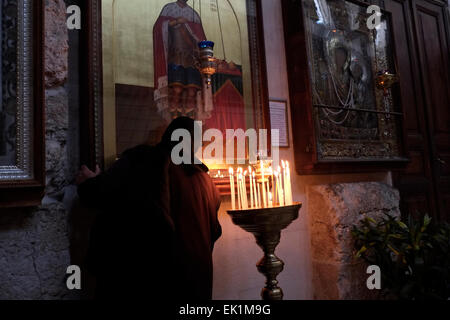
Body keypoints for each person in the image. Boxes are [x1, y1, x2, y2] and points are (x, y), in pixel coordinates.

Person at [76, 117, 222, 300]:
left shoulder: (147, 160)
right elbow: (214, 232)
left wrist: (90, 182)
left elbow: (102, 192)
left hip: (151, 283)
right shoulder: (206, 181)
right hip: (195, 286)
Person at [153, 0, 213, 121]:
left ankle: (189, 122)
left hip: (191, 59)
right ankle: (174, 121)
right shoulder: (168, 9)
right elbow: (158, 29)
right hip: (175, 57)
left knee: (192, 92)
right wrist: (175, 22)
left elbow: (200, 38)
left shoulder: (193, 14)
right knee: (177, 90)